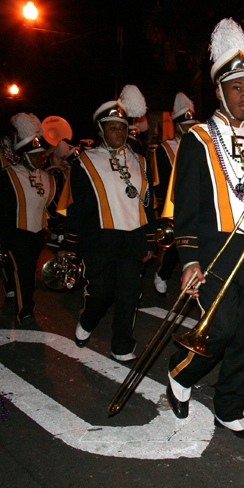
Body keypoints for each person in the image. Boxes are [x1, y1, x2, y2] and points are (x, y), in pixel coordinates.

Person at [161, 18, 244, 439]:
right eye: (237, 87)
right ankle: (181, 372)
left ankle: (230, 406)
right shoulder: (197, 139)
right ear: (220, 90)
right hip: (213, 248)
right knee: (219, 329)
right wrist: (189, 260)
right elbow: (186, 204)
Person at [56, 85, 156, 362]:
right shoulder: (85, 162)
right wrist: (69, 244)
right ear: (100, 130)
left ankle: (122, 345)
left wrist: (150, 240)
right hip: (99, 240)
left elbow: (146, 204)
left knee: (129, 293)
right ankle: (88, 320)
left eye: (123, 127)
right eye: (113, 127)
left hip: (133, 239)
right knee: (100, 292)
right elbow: (77, 207)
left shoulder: (139, 160)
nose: (120, 132)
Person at [0, 114, 57, 324]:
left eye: (42, 155)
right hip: (14, 233)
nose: (40, 159)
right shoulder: (8, 175)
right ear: (24, 156)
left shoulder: (49, 177)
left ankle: (23, 300)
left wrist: (60, 229)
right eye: (35, 156)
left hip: (36, 234)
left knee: (29, 271)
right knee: (23, 271)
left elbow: (51, 207)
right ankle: (25, 310)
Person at [152, 92, 199, 294]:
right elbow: (160, 182)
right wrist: (163, 212)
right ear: (178, 126)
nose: (190, 129)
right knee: (176, 245)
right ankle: (163, 273)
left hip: (197, 203)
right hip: (175, 205)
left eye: (192, 125)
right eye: (186, 126)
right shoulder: (165, 149)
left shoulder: (200, 145)